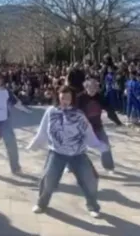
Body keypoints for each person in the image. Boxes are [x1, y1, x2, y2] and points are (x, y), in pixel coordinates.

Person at [27, 86, 108, 217]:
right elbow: (42, 131)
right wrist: (34, 144)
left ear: (72, 99)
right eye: (62, 97)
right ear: (58, 97)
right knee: (48, 179)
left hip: (78, 153)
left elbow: (88, 133)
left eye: (68, 98)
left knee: (90, 180)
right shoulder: (51, 112)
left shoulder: (79, 114)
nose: (65, 100)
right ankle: (41, 204)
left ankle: (92, 206)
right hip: (57, 152)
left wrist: (98, 145)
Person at [74, 78, 122, 173]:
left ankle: (109, 167)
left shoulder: (100, 97)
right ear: (86, 87)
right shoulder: (80, 98)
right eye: (91, 87)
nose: (93, 90)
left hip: (97, 126)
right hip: (83, 128)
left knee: (105, 145)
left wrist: (118, 122)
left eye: (95, 88)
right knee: (75, 146)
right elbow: (73, 112)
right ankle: (72, 166)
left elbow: (110, 110)